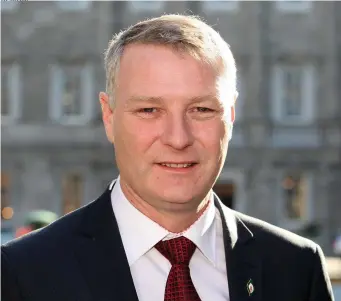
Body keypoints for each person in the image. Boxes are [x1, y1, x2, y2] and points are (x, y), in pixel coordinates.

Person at [1, 14, 334, 301]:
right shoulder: (21, 273)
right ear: (109, 116)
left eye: (201, 109)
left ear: (230, 117)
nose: (178, 138)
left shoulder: (296, 268)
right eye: (149, 110)